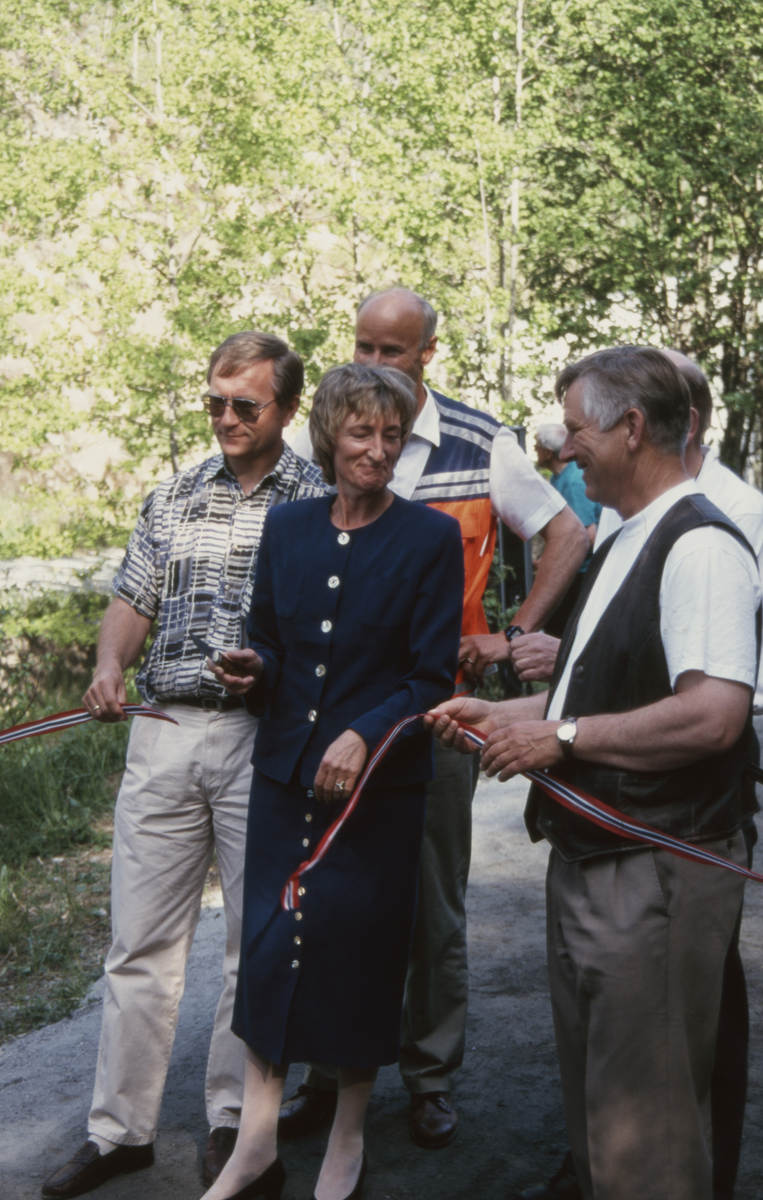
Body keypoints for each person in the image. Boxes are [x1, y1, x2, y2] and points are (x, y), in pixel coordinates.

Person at [427, 345, 761, 1200]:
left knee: (647, 1138)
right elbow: (592, 690)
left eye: (576, 430)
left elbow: (713, 714)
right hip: (593, 864)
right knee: (603, 1119)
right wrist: (499, 719)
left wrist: (562, 738)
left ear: (633, 428)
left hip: (653, 875)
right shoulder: (623, 538)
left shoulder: (702, 548)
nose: (564, 449)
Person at [286, 288, 589, 1148]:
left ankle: (429, 1076)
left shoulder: (478, 440)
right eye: (363, 346)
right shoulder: (328, 439)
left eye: (394, 350)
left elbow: (566, 533)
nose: (376, 364)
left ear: (426, 353)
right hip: (338, 709)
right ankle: (323, 1069)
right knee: (330, 891)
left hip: (438, 710)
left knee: (430, 902)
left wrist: (515, 633)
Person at [41, 332, 326, 1200]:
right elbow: (132, 595)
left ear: (284, 410)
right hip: (162, 731)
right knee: (139, 943)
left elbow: (324, 633)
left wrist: (271, 671)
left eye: (246, 405)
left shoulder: (315, 498)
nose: (226, 418)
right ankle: (118, 1131)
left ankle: (237, 1128)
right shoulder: (173, 494)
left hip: (260, 739)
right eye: (215, 402)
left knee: (256, 942)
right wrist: (106, 668)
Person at [202, 362, 464, 1200]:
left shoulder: (428, 537)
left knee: (358, 955)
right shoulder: (287, 527)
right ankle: (255, 1141)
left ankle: (348, 1136)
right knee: (273, 953)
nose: (377, 451)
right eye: (361, 434)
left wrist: (361, 733)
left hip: (375, 792)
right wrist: (253, 668)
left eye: (390, 436)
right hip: (283, 776)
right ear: (328, 435)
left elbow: (428, 679)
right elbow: (270, 639)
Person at [534, 424, 601, 638]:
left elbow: (589, 535)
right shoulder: (558, 478)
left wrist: (552, 562)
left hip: (581, 576)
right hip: (572, 570)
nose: (533, 449)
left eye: (536, 445)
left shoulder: (573, 482)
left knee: (557, 631)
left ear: (547, 452)